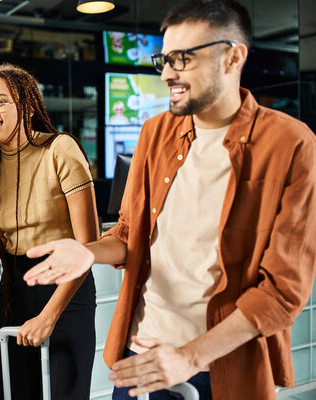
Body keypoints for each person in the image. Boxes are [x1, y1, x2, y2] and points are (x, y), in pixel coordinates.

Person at [23, 1, 316, 399]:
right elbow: (129, 236)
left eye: (182, 59)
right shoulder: (154, 132)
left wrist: (189, 358)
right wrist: (88, 253)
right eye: (163, 59)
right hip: (140, 360)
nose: (166, 73)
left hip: (222, 368)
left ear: (233, 57)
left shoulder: (292, 143)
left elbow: (282, 292)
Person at [0, 64, 98, 399]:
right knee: (12, 392)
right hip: (13, 292)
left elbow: (88, 246)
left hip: (65, 289)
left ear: (25, 105)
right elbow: (14, 233)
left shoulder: (59, 149)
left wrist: (49, 316)